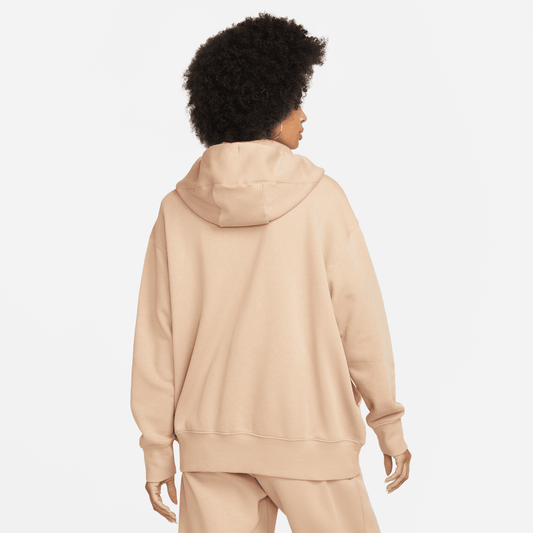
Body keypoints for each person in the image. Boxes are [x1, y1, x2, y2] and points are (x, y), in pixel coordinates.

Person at [130, 11, 411, 532]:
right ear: (268, 108)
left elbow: (157, 343)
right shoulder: (322, 200)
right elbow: (361, 322)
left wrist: (157, 450)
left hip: (212, 445)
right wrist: (387, 422)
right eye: (295, 101)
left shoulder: (176, 210)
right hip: (312, 436)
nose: (304, 114)